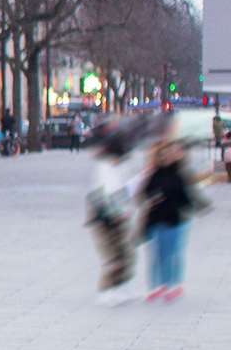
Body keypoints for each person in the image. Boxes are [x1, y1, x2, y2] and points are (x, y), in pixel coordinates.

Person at [138, 133, 206, 302]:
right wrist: (152, 198)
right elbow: (144, 192)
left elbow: (186, 196)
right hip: (155, 219)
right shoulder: (154, 174)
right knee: (157, 254)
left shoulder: (179, 174)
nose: (168, 157)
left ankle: (172, 284)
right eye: (164, 155)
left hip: (174, 219)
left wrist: (195, 206)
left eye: (172, 153)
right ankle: (156, 286)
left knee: (172, 253)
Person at [88, 128, 139, 304]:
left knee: (125, 252)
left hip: (118, 213)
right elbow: (107, 193)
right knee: (113, 254)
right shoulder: (105, 167)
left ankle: (121, 285)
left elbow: (124, 189)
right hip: (104, 215)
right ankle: (107, 290)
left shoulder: (120, 165)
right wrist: (117, 212)